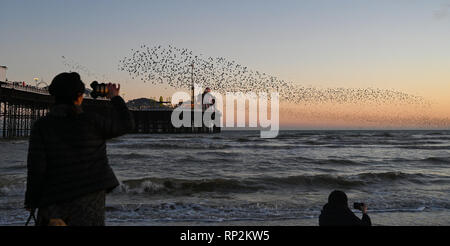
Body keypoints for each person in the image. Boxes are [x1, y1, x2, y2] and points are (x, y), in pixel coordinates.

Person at [24, 72, 134, 226]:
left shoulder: (42, 126)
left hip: (54, 200)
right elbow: (126, 124)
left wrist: (31, 200)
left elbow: (36, 167)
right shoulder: (92, 122)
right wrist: (114, 97)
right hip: (90, 198)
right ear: (79, 96)